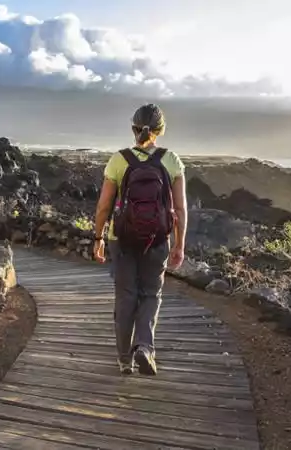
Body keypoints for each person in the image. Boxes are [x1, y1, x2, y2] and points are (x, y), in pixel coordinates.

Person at [91, 103, 187, 376]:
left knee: (125, 297)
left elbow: (103, 206)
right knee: (151, 295)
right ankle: (144, 346)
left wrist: (98, 237)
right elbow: (180, 209)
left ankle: (124, 360)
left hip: (121, 239)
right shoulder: (171, 160)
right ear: (161, 130)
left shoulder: (119, 160)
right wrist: (179, 244)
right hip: (158, 238)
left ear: (133, 129)